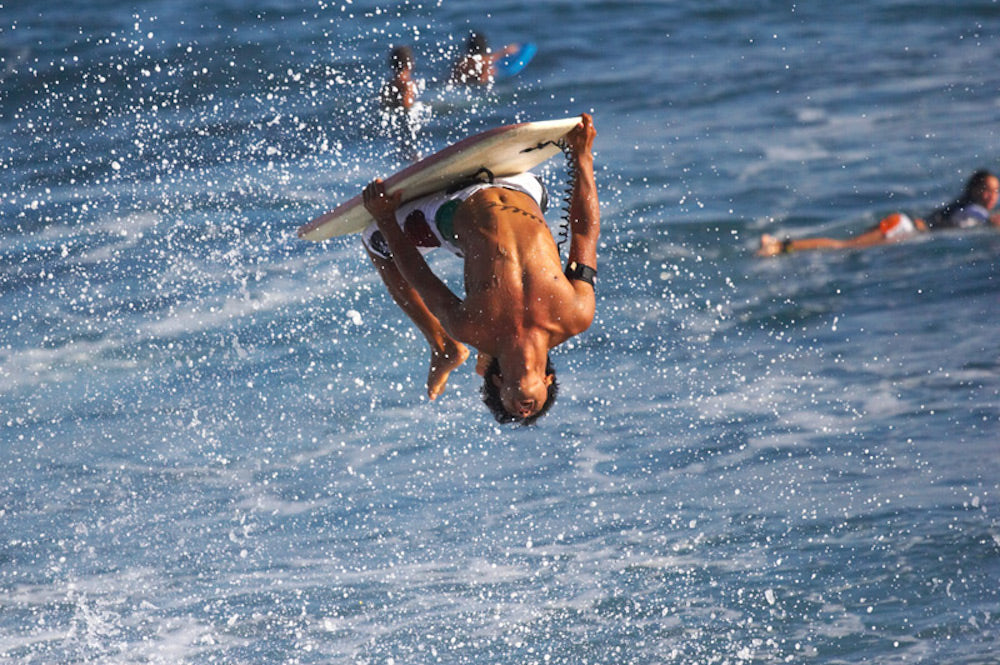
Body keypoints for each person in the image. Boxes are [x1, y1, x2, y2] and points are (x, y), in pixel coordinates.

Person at [360, 114, 599, 425]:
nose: (523, 410)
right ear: (548, 382)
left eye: (511, 409)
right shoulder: (575, 314)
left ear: (496, 383)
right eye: (533, 410)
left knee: (375, 243)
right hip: (523, 187)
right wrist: (583, 157)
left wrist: (386, 219)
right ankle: (451, 351)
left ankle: (443, 345)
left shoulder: (472, 328)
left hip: (454, 206)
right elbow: (584, 234)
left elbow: (419, 276)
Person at [757, 169, 1000, 256]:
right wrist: (990, 224)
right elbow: (970, 224)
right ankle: (779, 246)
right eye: (987, 190)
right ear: (975, 191)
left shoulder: (966, 207)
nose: (992, 196)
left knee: (844, 246)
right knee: (843, 246)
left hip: (902, 225)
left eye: (996, 191)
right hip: (904, 226)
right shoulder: (973, 211)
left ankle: (781, 246)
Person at [378, 46, 423, 160]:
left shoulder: (388, 84)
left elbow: (383, 105)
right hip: (406, 118)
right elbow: (407, 104)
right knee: (411, 152)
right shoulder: (408, 84)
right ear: (410, 64)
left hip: (393, 118)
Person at [449, 31, 519, 86]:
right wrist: (505, 52)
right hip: (477, 87)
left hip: (456, 84)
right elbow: (482, 79)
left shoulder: (461, 61)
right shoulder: (485, 62)